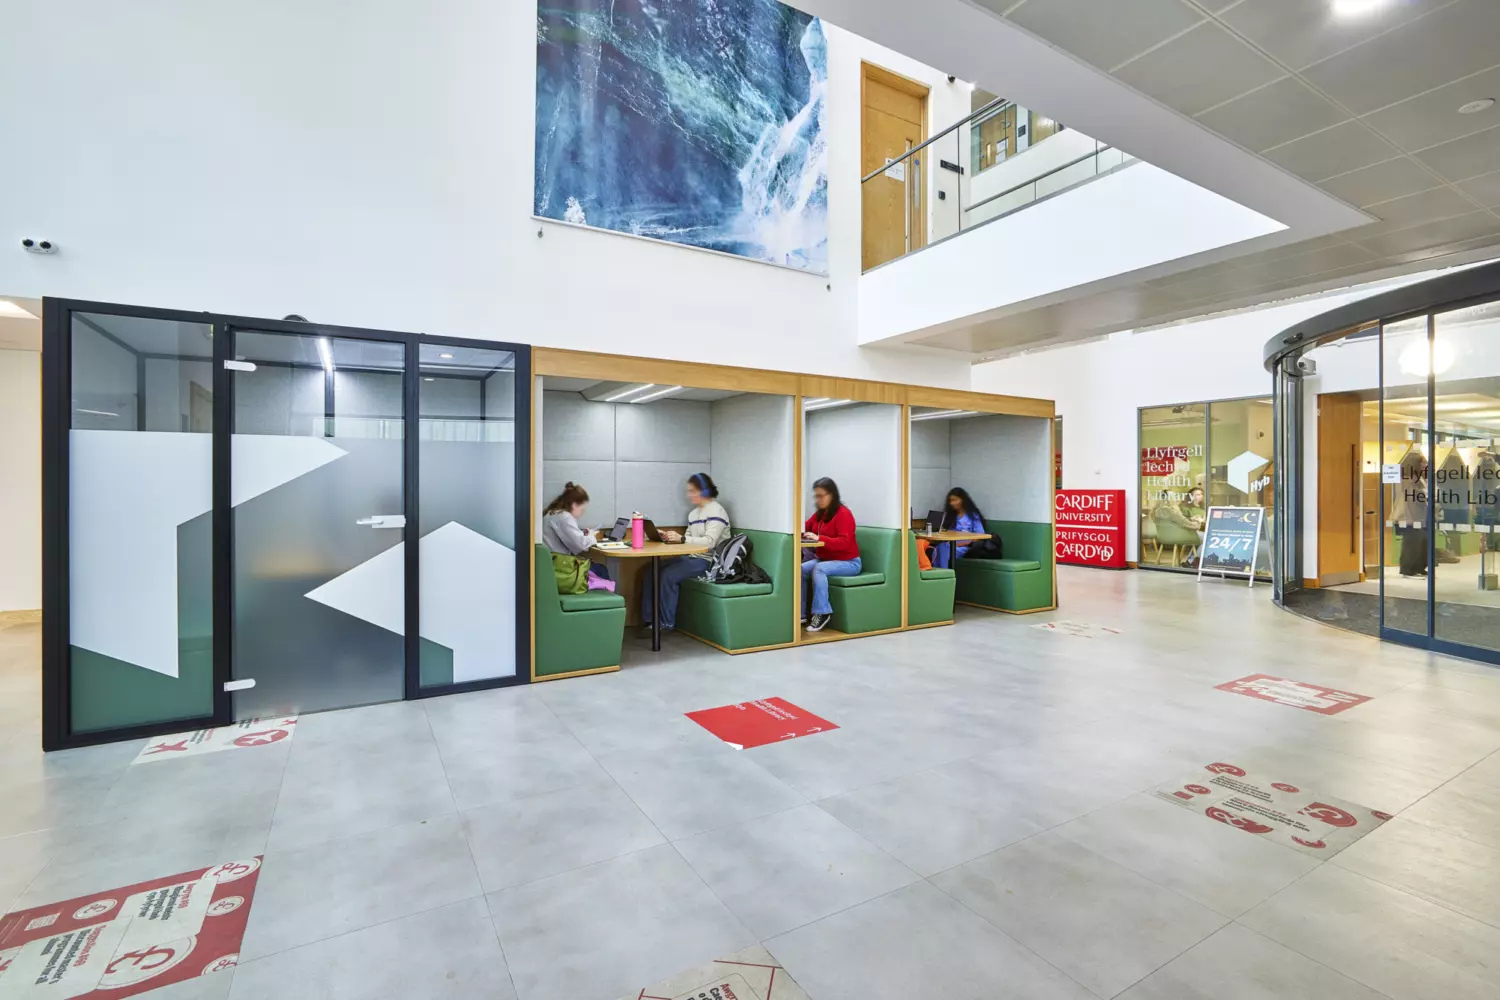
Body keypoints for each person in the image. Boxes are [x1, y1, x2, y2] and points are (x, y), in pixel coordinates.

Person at [642, 473, 730, 631]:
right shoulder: (693, 514)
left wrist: (682, 539)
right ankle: (650, 621)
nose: (689, 495)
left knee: (668, 575)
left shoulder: (717, 511)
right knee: (650, 570)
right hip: (692, 557)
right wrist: (667, 538)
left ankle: (666, 623)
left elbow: (710, 542)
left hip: (709, 561)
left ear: (703, 490)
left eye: (692, 491)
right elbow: (687, 540)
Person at [801, 477, 861, 632]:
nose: (819, 500)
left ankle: (822, 613)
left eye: (822, 496)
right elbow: (805, 526)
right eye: (817, 496)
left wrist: (819, 538)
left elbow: (844, 542)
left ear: (832, 495)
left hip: (849, 563)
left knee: (819, 569)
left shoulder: (844, 514)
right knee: (800, 570)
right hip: (826, 560)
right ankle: (800, 614)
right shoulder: (820, 514)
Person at [542, 482, 609, 579]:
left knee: (596, 568)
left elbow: (567, 537)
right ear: (574, 505)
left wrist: (582, 534)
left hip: (552, 564)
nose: (582, 514)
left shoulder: (552, 513)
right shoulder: (565, 517)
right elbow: (581, 545)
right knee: (601, 569)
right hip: (560, 568)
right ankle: (609, 594)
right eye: (582, 510)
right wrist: (591, 535)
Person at [933, 487, 986, 569]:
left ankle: (946, 575)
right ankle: (938, 576)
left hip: (964, 547)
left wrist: (962, 544)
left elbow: (980, 536)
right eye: (950, 501)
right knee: (937, 549)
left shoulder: (972, 516)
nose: (952, 503)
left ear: (963, 500)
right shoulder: (950, 516)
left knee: (944, 549)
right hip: (949, 545)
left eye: (955, 500)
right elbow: (945, 533)